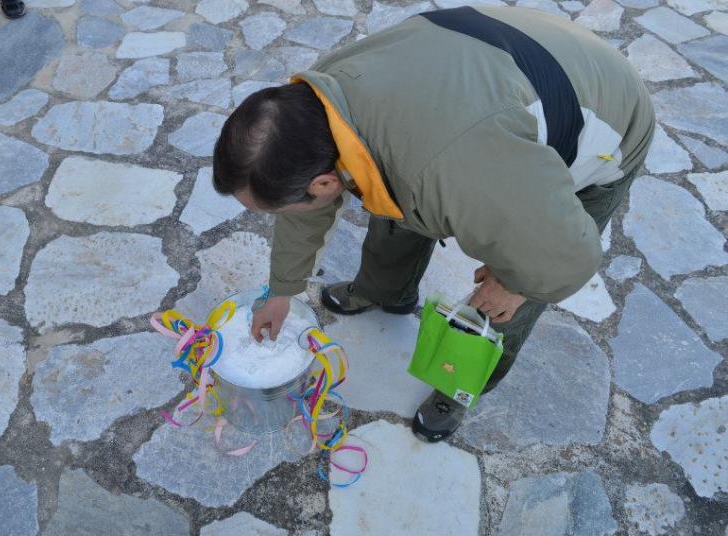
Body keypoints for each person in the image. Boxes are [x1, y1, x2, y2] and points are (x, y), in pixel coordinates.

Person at [212, 6, 655, 443]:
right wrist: (283, 290)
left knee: (506, 292)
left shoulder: (458, 169)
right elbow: (320, 202)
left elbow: (566, 255)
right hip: (510, 65)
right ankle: (386, 290)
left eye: (283, 208)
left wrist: (515, 285)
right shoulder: (314, 106)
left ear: (323, 182)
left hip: (609, 116)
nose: (287, 214)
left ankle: (460, 383)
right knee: (395, 192)